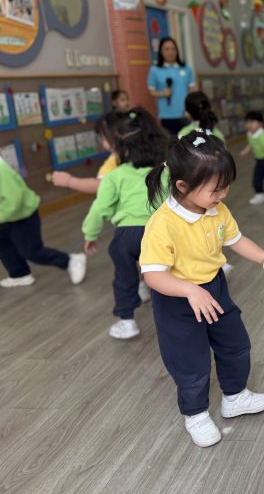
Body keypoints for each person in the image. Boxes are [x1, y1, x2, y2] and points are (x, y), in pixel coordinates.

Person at [140, 131, 264, 447]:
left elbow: (236, 239)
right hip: (178, 300)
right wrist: (189, 290)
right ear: (182, 185)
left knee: (235, 344)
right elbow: (154, 276)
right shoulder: (163, 224)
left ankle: (235, 397)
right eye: (215, 189)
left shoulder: (216, 209)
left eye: (225, 186)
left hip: (214, 288)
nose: (222, 195)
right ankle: (196, 414)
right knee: (191, 361)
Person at [81, 109, 168, 339]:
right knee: (168, 272)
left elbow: (99, 209)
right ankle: (174, 312)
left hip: (127, 236)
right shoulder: (165, 171)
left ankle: (127, 322)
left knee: (124, 276)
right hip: (160, 231)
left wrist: (90, 234)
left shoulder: (114, 176)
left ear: (123, 149)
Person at [0, 156, 87, 288]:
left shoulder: (1, 169)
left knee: (31, 251)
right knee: (3, 245)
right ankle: (19, 274)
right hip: (5, 218)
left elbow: (14, 201)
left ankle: (70, 261)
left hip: (22, 217)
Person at [51, 112, 127, 194]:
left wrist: (69, 181)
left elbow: (100, 185)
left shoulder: (116, 160)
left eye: (103, 138)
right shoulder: (115, 159)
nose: (103, 144)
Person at [147, 37, 197, 135]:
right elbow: (151, 91)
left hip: (186, 115)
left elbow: (193, 89)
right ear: (161, 51)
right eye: (167, 49)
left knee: (189, 141)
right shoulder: (155, 70)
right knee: (171, 142)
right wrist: (162, 94)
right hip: (167, 116)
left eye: (173, 49)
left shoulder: (186, 69)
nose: (171, 52)